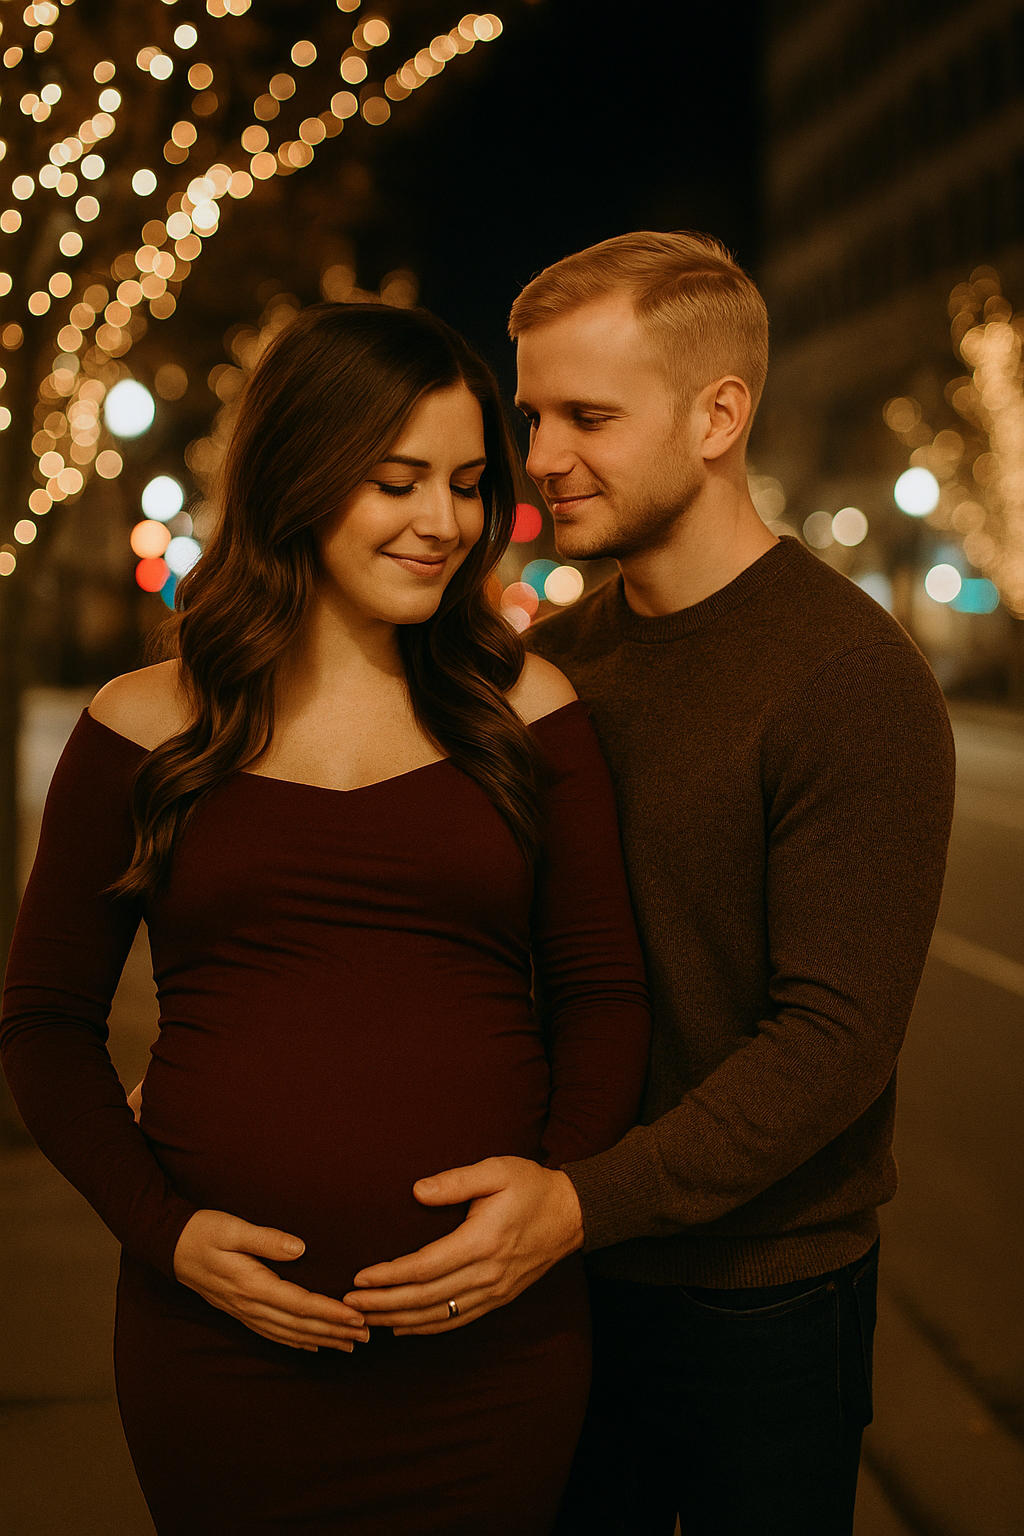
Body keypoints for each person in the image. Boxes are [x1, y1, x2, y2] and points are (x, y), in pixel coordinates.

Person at [0, 303, 652, 1536]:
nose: (444, 522)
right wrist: (166, 1233)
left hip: (492, 1349)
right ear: (297, 473)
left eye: (467, 484)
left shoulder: (529, 709)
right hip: (220, 1353)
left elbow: (603, 989)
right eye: (396, 481)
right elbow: (41, 1022)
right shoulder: (144, 724)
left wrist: (549, 1200)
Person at [342, 233, 957, 1536]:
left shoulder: (852, 679)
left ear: (719, 414)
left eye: (589, 415)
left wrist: (578, 1206)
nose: (542, 453)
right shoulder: (553, 664)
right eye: (533, 413)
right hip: (555, 1270)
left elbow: (831, 1046)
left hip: (758, 1298)